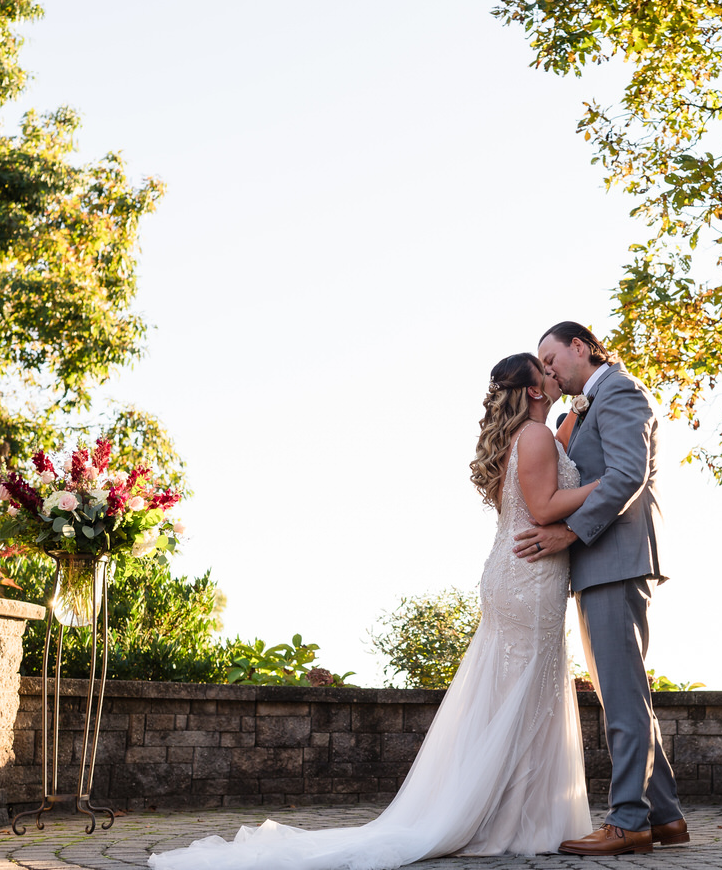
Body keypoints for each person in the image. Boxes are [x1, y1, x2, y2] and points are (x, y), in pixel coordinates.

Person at [149, 353, 595, 869]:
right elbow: (542, 508)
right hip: (530, 575)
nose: (553, 371)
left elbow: (549, 459)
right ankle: (516, 820)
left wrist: (574, 418)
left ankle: (507, 814)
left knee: (506, 696)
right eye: (545, 368)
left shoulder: (526, 436)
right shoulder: (536, 438)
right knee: (526, 694)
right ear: (536, 389)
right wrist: (606, 487)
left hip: (509, 574)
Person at [514, 321, 686, 857]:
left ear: (581, 347)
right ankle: (666, 817)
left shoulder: (621, 391)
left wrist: (569, 532)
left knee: (622, 697)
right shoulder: (582, 406)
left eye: (551, 357)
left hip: (615, 558)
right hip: (599, 563)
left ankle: (628, 821)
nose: (547, 369)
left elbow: (626, 476)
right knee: (625, 692)